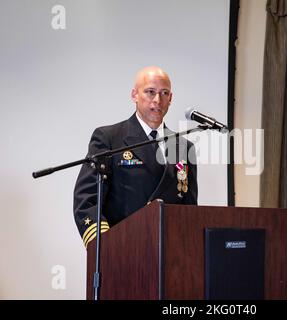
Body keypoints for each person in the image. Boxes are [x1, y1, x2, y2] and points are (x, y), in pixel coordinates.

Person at [73, 66, 198, 247]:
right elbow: (87, 199)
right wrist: (107, 246)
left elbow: (189, 211)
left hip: (169, 251)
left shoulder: (184, 147)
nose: (158, 100)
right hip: (123, 250)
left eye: (164, 93)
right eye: (150, 92)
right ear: (134, 95)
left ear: (170, 98)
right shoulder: (110, 138)